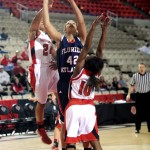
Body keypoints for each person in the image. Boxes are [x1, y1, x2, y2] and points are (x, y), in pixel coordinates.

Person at [43, 0, 86, 149]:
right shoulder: (61, 40)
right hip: (64, 83)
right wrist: (45, 2)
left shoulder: (81, 40)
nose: (72, 23)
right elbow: (47, 25)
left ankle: (81, 142)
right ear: (65, 28)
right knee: (64, 118)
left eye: (73, 23)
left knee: (79, 116)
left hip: (78, 83)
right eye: (69, 23)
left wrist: (72, 2)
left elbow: (80, 20)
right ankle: (66, 146)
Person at [64, 15, 109, 150]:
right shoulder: (96, 73)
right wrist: (104, 30)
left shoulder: (78, 71)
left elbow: (86, 47)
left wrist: (93, 27)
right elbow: (100, 51)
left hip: (74, 106)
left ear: (87, 62)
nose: (89, 55)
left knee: (71, 142)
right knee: (94, 140)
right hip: (89, 108)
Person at [28, 8, 59, 145]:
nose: (42, 22)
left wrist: (58, 62)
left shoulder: (47, 37)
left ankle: (62, 117)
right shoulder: (33, 34)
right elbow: (34, 24)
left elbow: (53, 52)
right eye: (40, 21)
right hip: (38, 68)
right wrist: (44, 7)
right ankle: (40, 128)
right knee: (42, 101)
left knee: (63, 90)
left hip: (51, 67)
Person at [126, 63, 150, 133]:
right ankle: (137, 129)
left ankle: (149, 128)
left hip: (148, 95)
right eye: (140, 67)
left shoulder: (149, 75)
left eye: (142, 67)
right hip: (139, 95)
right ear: (138, 68)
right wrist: (128, 94)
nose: (141, 69)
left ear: (145, 68)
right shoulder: (135, 76)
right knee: (138, 113)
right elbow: (131, 86)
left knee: (149, 112)